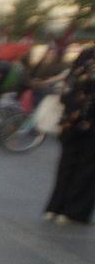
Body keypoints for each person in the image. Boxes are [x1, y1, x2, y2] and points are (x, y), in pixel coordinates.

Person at [43, 44, 95, 225]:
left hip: (72, 119)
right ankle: (74, 211)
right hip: (90, 119)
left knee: (67, 164)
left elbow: (68, 86)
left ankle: (55, 207)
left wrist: (72, 110)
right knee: (87, 167)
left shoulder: (86, 54)